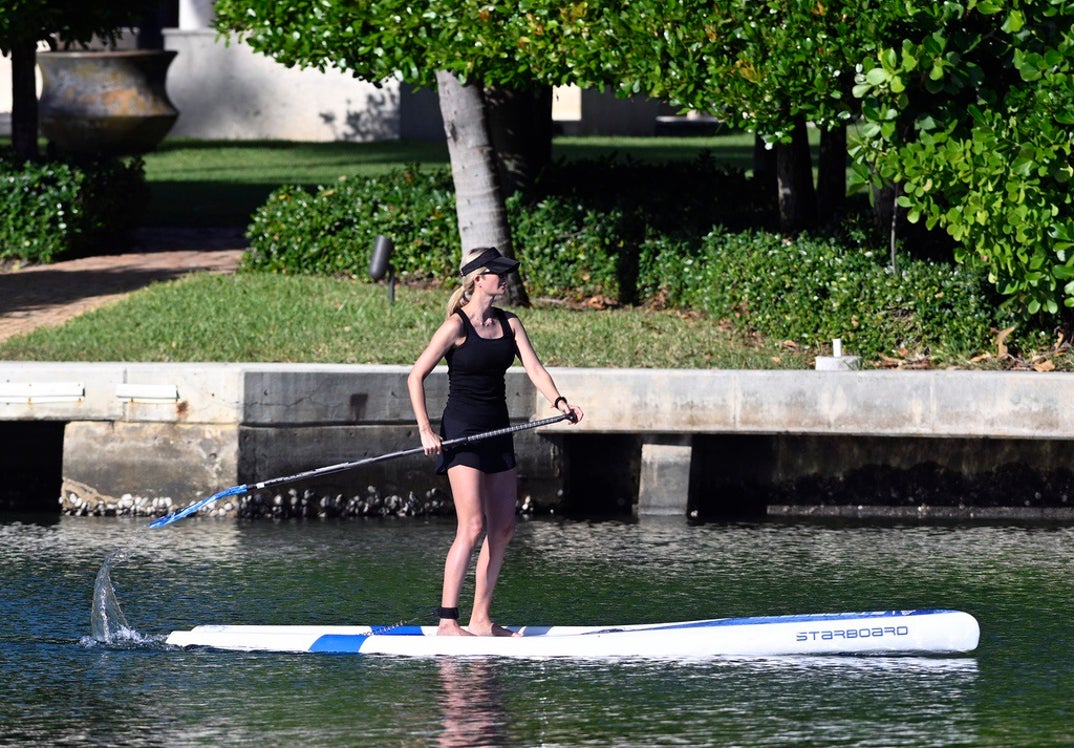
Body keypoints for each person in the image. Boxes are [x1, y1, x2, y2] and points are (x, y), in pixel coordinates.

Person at [408, 246, 584, 636]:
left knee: (503, 527)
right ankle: (447, 622)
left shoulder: (511, 324)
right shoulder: (455, 327)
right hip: (463, 432)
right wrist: (425, 428)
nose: (504, 279)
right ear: (477, 278)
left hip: (498, 431)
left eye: (505, 273)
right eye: (497, 273)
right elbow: (415, 375)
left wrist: (560, 401)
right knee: (471, 527)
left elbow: (534, 368)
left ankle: (481, 620)